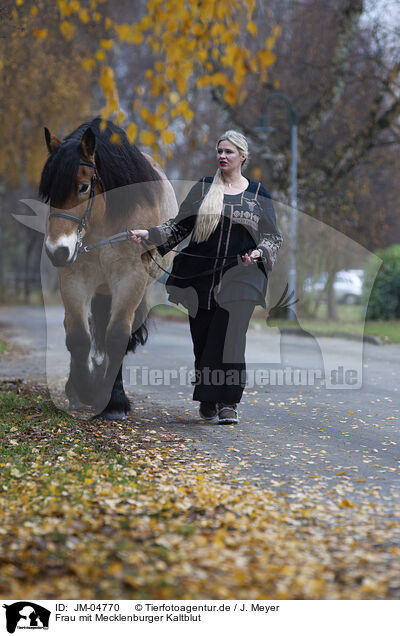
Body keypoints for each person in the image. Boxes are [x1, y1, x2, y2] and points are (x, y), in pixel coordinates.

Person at [130, 130, 282, 424]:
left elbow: (272, 237)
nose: (223, 156)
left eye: (229, 152)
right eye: (220, 151)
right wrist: (148, 234)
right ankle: (208, 398)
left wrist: (260, 252)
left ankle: (228, 402)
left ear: (243, 157)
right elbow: (178, 228)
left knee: (231, 338)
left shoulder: (258, 194)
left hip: (241, 278)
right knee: (203, 341)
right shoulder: (203, 189)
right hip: (200, 278)